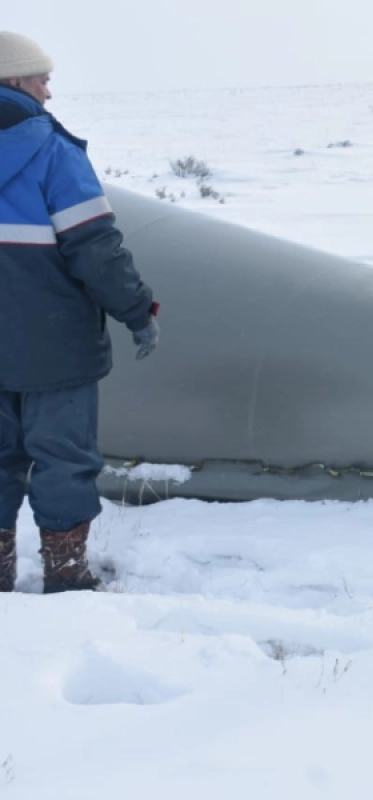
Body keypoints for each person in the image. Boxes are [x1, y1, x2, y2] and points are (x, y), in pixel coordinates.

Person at [0, 31, 159, 594]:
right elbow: (96, 249)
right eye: (41, 78)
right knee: (64, 460)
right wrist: (137, 310)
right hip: (54, 348)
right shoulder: (53, 151)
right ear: (14, 81)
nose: (48, 91)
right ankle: (66, 576)